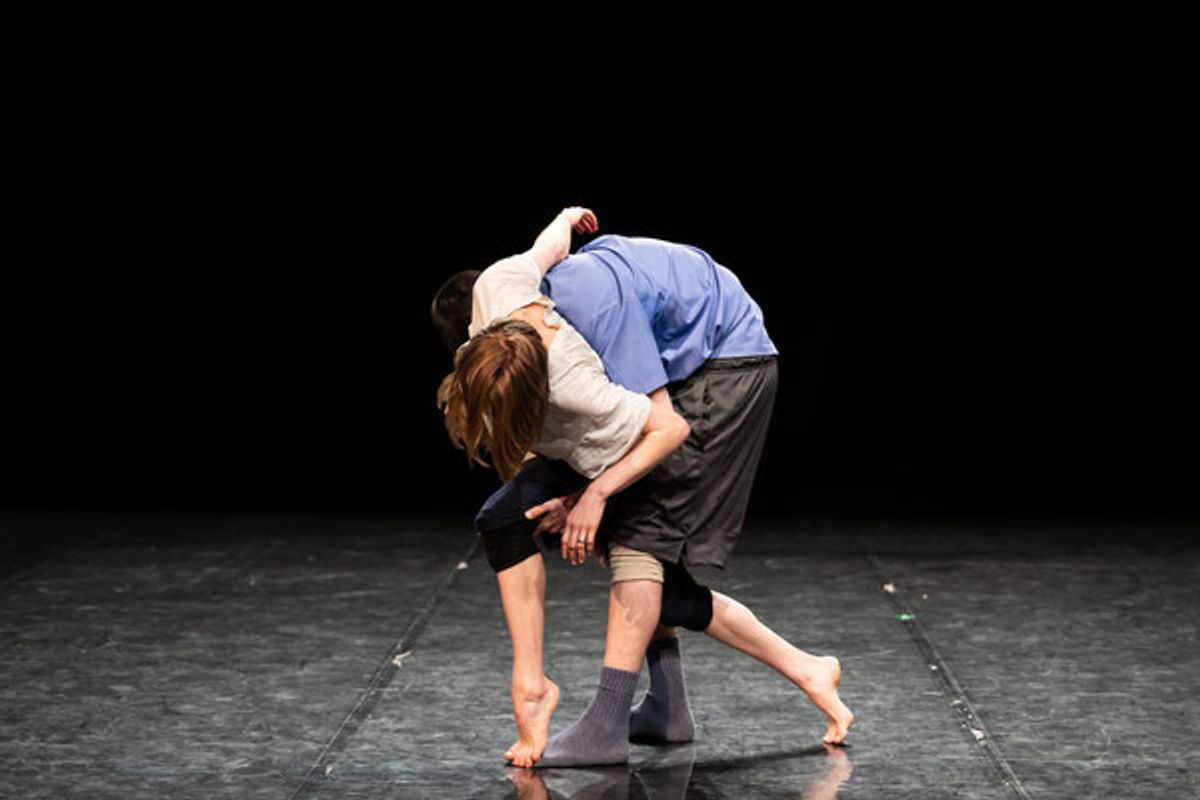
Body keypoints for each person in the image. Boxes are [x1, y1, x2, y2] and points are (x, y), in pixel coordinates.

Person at [435, 208, 853, 768]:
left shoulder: (583, 369)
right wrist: (566, 215)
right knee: (519, 518)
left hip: (724, 358)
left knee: (638, 543)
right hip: (664, 365)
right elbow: (547, 248)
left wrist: (594, 495)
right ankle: (683, 702)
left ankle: (606, 727)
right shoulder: (499, 291)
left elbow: (666, 428)